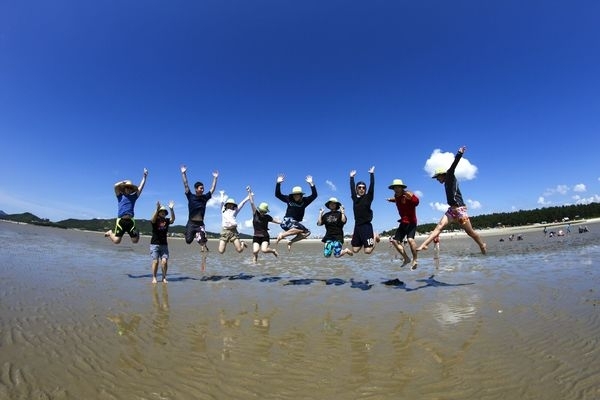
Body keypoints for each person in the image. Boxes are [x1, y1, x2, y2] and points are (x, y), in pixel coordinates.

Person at [416, 146, 487, 254]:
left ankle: (482, 244)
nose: (437, 180)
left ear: (442, 175)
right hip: (451, 211)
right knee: (439, 227)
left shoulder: (449, 176)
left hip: (460, 210)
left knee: (470, 232)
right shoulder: (445, 183)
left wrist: (459, 154)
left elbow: (453, 166)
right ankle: (424, 244)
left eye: (437, 177)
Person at [275, 174, 318, 250]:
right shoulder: (289, 199)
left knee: (307, 232)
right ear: (293, 195)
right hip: (287, 221)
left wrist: (311, 184)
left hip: (295, 223)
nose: (296, 196)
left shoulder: (305, 201)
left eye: (298, 195)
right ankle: (282, 235)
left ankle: (290, 242)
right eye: (295, 195)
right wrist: (278, 183)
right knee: (299, 228)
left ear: (301, 195)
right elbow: (278, 195)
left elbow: (314, 195)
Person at [105, 168, 148, 244]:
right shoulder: (120, 196)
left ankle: (137, 231)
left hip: (130, 221)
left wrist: (144, 177)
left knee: (135, 241)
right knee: (116, 241)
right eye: (127, 187)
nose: (129, 189)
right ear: (124, 188)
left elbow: (141, 187)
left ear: (132, 190)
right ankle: (110, 232)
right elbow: (115, 186)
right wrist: (123, 182)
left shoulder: (134, 197)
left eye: (130, 188)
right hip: (121, 221)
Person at [181, 165, 218, 252]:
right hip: (191, 223)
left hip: (200, 224)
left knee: (202, 242)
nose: (203, 189)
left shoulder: (205, 198)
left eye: (203, 188)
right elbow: (186, 185)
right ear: (196, 189)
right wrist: (183, 173)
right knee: (188, 241)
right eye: (201, 188)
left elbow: (212, 189)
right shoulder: (190, 196)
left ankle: (198, 235)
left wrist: (215, 178)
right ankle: (190, 233)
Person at [386, 179, 419, 269]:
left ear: (402, 188)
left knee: (410, 240)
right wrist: (390, 200)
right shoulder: (396, 196)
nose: (396, 189)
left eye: (398, 187)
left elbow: (416, 202)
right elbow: (397, 200)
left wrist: (412, 197)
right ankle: (406, 258)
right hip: (403, 222)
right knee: (394, 241)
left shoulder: (407, 194)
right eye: (394, 188)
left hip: (411, 222)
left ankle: (415, 260)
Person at [247, 186, 280, 263]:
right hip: (256, 236)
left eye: (264, 211)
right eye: (261, 211)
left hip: (265, 236)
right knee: (255, 251)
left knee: (264, 250)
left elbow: (275, 221)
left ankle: (273, 251)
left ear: (266, 212)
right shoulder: (255, 214)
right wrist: (249, 192)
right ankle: (255, 257)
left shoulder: (267, 217)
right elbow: (251, 202)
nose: (262, 213)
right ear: (259, 210)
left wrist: (283, 222)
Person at [349, 166, 378, 254]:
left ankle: (375, 236)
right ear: (357, 189)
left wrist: (372, 174)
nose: (361, 189)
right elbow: (351, 189)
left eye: (363, 187)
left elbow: (372, 186)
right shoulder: (355, 198)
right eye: (359, 187)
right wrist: (351, 178)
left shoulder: (368, 197)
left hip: (366, 226)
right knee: (355, 250)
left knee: (368, 251)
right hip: (357, 226)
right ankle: (362, 241)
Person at [150, 200, 175, 284]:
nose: (163, 213)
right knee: (155, 261)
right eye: (161, 211)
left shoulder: (166, 221)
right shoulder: (155, 220)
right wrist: (157, 209)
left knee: (164, 261)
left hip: (164, 245)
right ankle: (154, 277)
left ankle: (164, 277)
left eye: (164, 212)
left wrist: (171, 209)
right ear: (159, 212)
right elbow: (152, 220)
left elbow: (172, 219)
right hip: (155, 244)